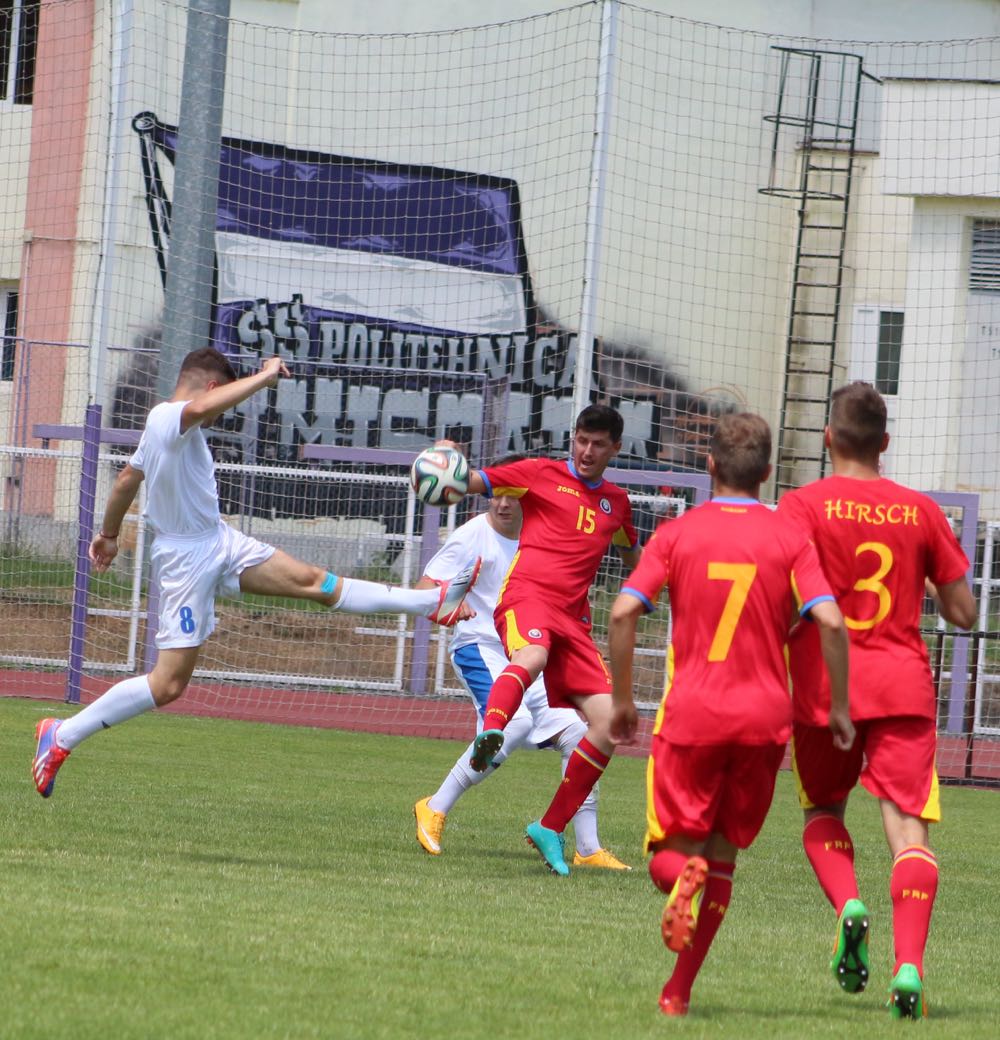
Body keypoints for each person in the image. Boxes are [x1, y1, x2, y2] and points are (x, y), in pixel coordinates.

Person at [32, 348, 480, 798]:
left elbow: (127, 478)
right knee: (168, 684)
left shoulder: (165, 430)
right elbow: (202, 409)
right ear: (211, 386)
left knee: (315, 583)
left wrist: (108, 534)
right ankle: (62, 734)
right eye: (216, 399)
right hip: (185, 562)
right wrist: (264, 377)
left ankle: (429, 601)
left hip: (218, 542)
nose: (213, 416)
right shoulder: (169, 416)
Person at [607, 412, 852, 1018]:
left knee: (670, 852)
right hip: (766, 721)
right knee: (723, 859)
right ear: (769, 474)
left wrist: (620, 699)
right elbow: (830, 620)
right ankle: (677, 992)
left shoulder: (678, 533)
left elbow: (620, 612)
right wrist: (840, 707)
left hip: (694, 713)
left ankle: (678, 875)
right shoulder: (789, 538)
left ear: (709, 466)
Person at [777, 382, 975, 1020]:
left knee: (823, 809)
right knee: (908, 828)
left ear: (828, 438)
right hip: (903, 686)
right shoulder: (920, 510)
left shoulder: (800, 506)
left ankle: (848, 907)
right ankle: (909, 965)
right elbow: (965, 612)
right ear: (885, 443)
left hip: (824, 689)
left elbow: (782, 605)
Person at [430, 404, 642, 876]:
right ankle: (494, 728)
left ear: (615, 448)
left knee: (610, 724)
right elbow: (474, 482)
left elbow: (634, 559)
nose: (587, 451)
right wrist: (447, 465)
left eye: (598, 444)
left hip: (575, 621)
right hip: (527, 596)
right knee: (533, 654)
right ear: (573, 438)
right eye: (581, 440)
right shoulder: (540, 474)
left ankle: (550, 826)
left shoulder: (617, 503)